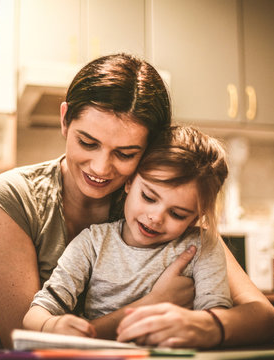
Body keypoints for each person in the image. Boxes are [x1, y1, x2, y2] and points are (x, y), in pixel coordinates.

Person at [0, 53, 274, 349]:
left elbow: (262, 315)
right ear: (65, 120)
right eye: (87, 142)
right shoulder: (11, 196)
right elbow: (22, 341)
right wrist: (151, 307)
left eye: (125, 154)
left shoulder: (151, 201)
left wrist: (209, 326)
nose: (100, 167)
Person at [23, 126, 232, 348]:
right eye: (148, 197)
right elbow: (34, 315)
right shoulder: (92, 243)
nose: (156, 217)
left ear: (194, 219)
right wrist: (52, 326)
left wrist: (197, 326)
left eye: (177, 214)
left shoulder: (201, 245)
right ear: (129, 183)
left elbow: (217, 315)